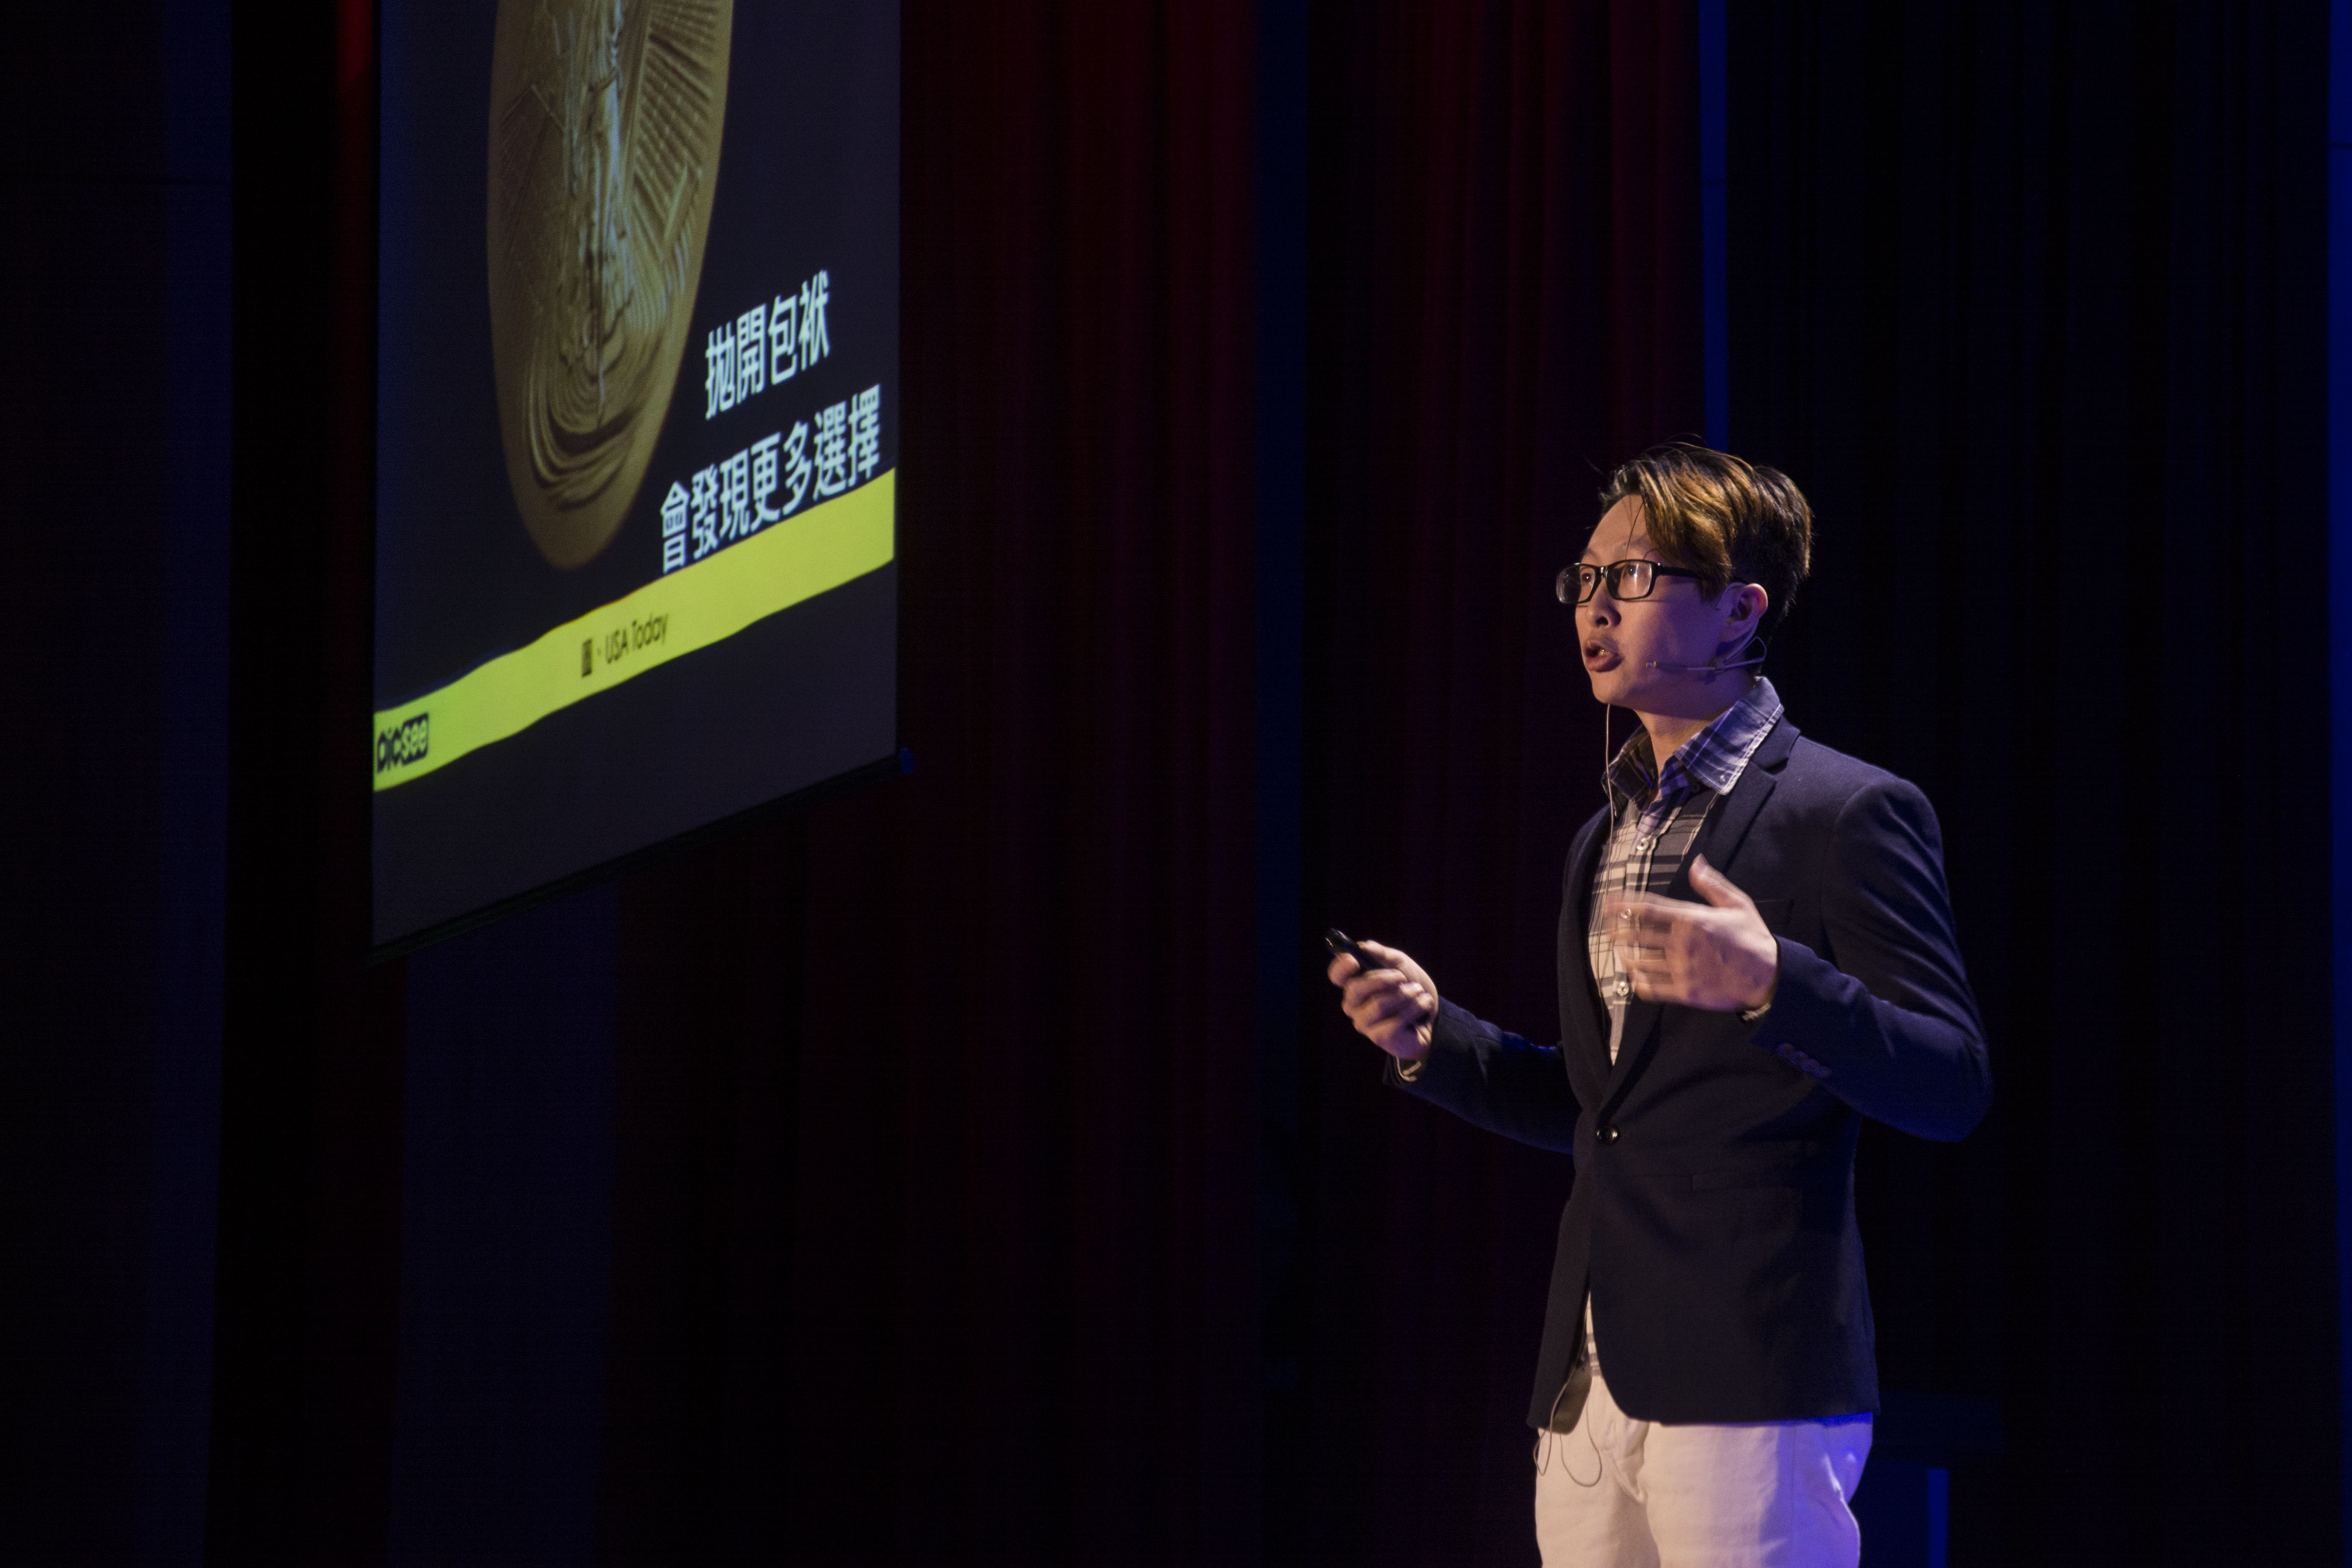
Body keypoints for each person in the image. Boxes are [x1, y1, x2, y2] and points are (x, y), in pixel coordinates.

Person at [1329, 444, 1990, 1568]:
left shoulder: (1846, 811)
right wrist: (1439, 1040)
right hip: (1590, 1378)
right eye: (1583, 580)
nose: (1593, 605)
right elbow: (1604, 1109)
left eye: (1631, 577)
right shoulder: (1606, 836)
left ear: (1739, 611)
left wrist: (1778, 982)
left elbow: (1948, 1081)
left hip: (1752, 1371)